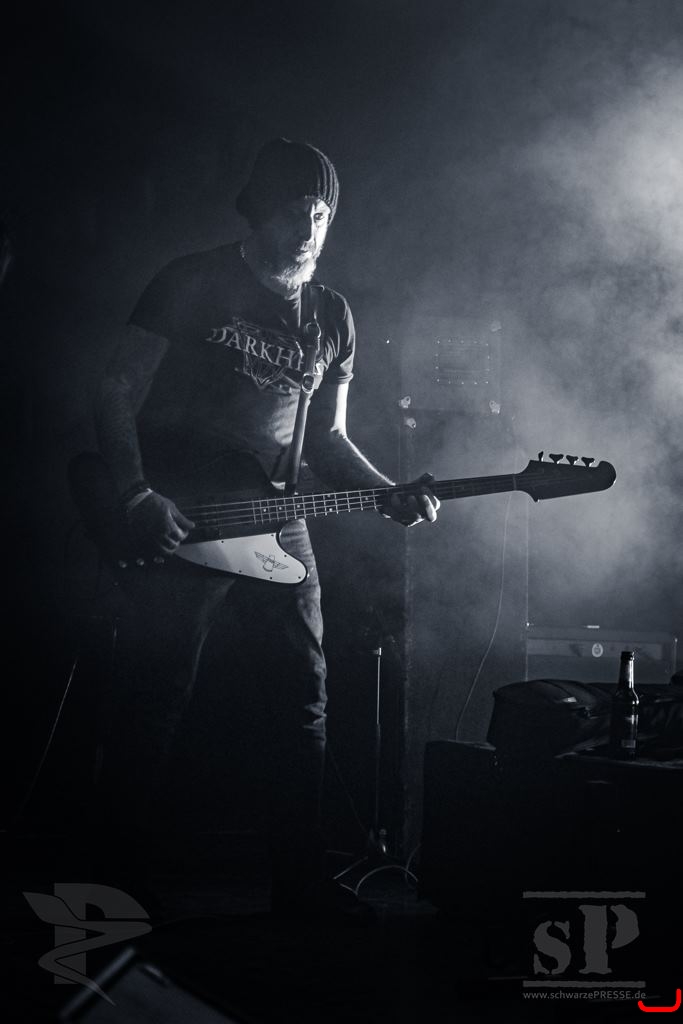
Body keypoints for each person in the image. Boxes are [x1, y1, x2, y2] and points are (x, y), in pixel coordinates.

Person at [91, 137, 439, 918]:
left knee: (301, 702)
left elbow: (328, 441)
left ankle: (300, 883)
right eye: (295, 211)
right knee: (155, 696)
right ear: (258, 210)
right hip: (181, 515)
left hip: (279, 522)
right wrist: (137, 496)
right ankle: (114, 886)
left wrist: (388, 493)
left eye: (321, 215)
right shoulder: (192, 280)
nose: (309, 230)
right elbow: (114, 388)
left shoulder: (331, 315)